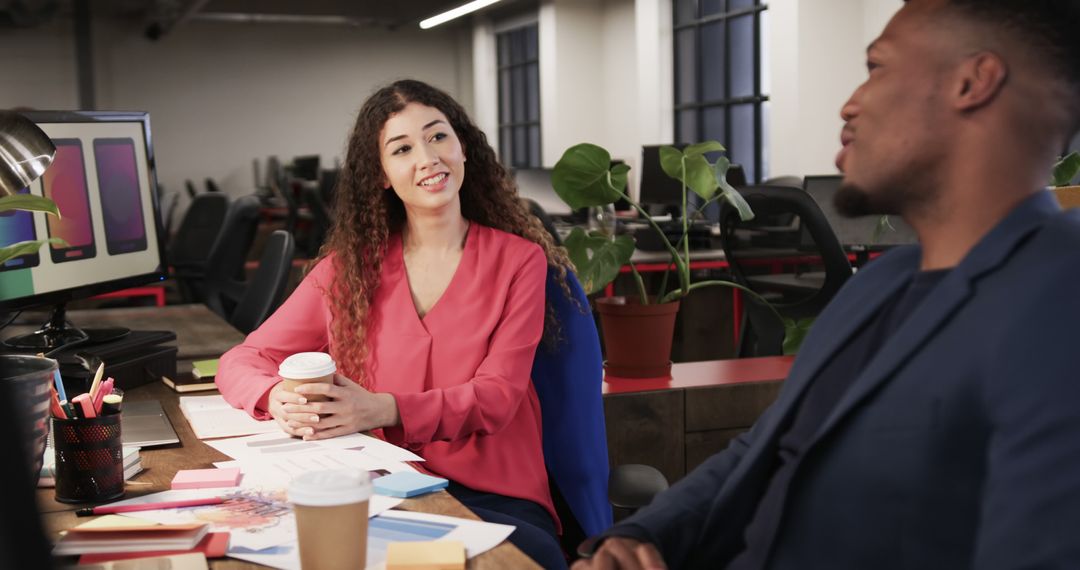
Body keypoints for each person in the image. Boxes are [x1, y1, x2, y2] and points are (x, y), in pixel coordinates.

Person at [575, 0, 1080, 568]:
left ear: (972, 81)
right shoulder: (879, 284)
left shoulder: (1060, 294)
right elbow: (766, 449)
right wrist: (645, 536)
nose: (849, 105)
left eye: (877, 69)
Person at [216, 79, 575, 569]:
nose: (427, 158)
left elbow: (496, 398)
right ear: (383, 174)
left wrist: (380, 410)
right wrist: (273, 397)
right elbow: (242, 359)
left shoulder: (519, 261)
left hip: (492, 493)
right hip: (383, 486)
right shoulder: (349, 270)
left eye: (438, 137)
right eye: (402, 148)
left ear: (463, 148)